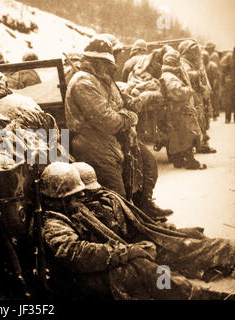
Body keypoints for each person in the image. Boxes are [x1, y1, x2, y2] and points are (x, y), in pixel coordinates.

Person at [40, 162, 235, 300]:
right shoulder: (54, 222)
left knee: (177, 246)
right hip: (82, 279)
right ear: (59, 199)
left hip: (107, 261)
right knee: (148, 271)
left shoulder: (77, 210)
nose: (81, 199)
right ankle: (194, 296)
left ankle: (226, 254)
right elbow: (76, 254)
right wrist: (129, 251)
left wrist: (144, 242)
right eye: (75, 195)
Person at [65, 36, 171, 219]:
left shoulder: (101, 79)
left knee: (147, 164)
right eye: (107, 62)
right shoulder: (84, 82)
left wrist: (126, 115)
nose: (110, 67)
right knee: (116, 193)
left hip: (111, 139)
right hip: (92, 143)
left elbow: (119, 106)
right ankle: (124, 230)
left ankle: (143, 208)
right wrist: (130, 118)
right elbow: (107, 120)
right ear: (96, 61)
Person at [160, 49, 206, 170]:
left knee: (178, 136)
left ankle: (178, 161)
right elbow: (177, 92)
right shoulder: (170, 77)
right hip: (180, 110)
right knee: (189, 134)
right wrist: (189, 90)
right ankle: (191, 161)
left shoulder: (169, 75)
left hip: (176, 109)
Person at [178, 40, 216, 154]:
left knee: (203, 120)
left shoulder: (195, 63)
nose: (196, 53)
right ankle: (197, 145)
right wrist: (196, 74)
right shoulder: (183, 62)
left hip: (198, 95)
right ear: (186, 52)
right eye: (193, 51)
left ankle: (203, 143)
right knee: (194, 121)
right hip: (191, 96)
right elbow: (188, 75)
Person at [202, 50, 221, 120]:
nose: (202, 59)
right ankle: (209, 114)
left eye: (203, 57)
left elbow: (216, 78)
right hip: (206, 86)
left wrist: (213, 88)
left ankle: (215, 114)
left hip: (213, 85)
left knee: (214, 100)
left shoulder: (213, 65)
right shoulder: (202, 65)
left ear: (207, 57)